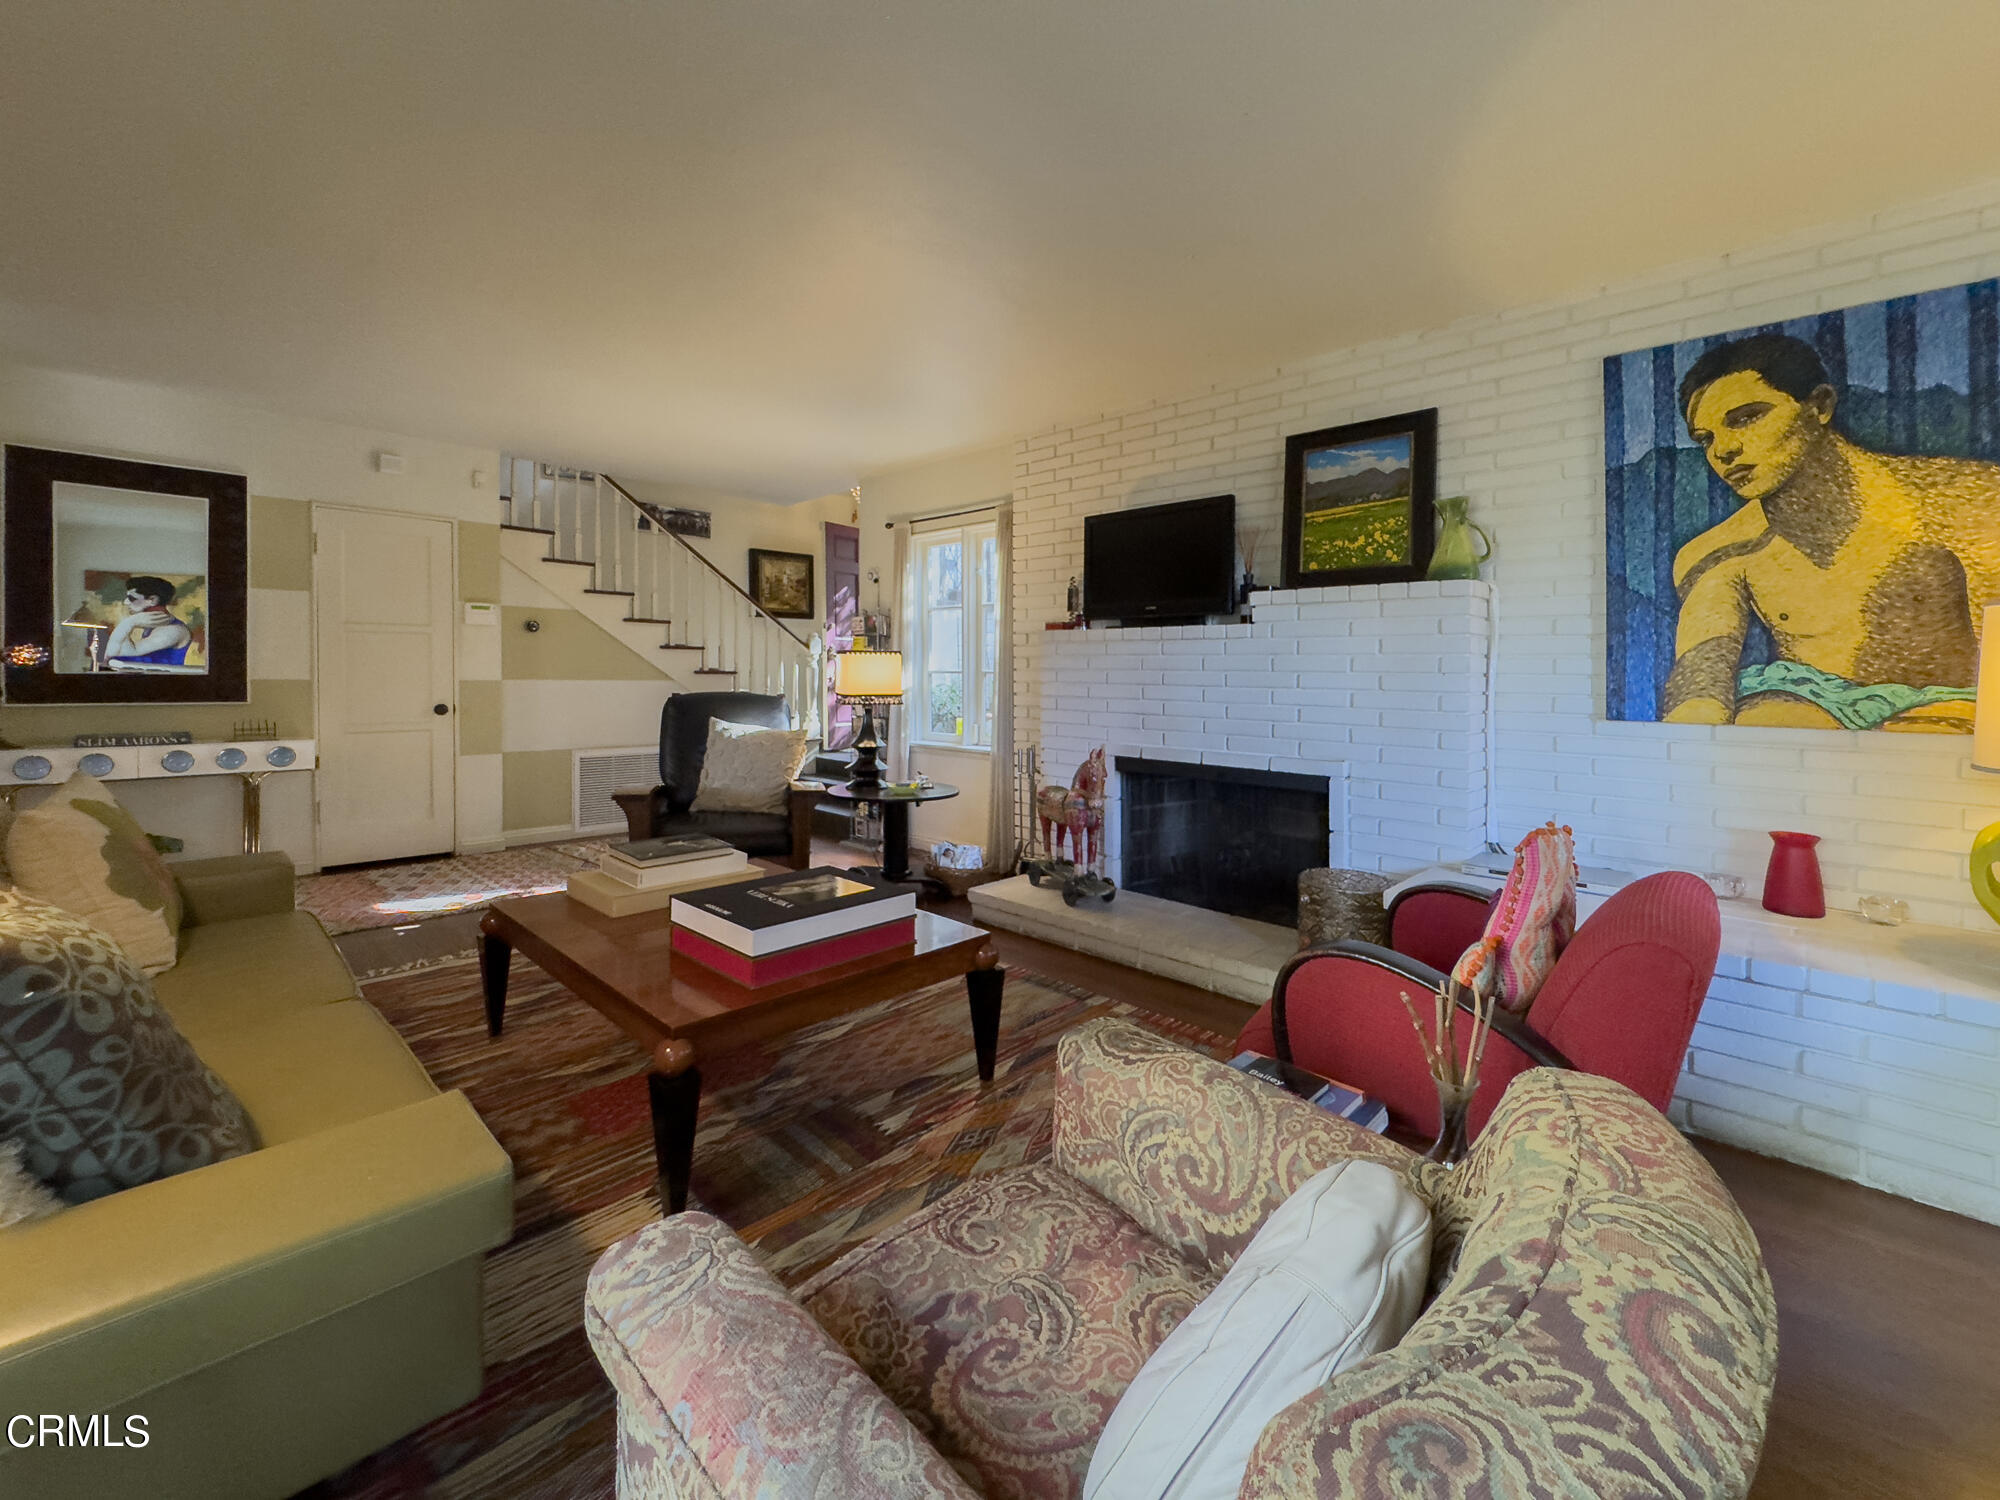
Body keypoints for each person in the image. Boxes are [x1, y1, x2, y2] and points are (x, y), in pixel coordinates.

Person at [1664, 333, 2000, 731]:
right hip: (1805, 709)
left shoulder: (1962, 501)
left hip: (1941, 715)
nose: (1723, 450)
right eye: (1706, 438)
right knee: (1769, 716)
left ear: (1819, 406)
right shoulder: (1720, 553)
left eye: (1747, 417)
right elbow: (1699, 688)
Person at [103, 575, 194, 668]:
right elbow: (112, 655)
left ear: (152, 600)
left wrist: (128, 623)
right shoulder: (151, 624)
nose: (126, 602)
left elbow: (121, 655)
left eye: (132, 598)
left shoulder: (173, 630)